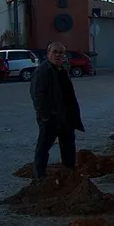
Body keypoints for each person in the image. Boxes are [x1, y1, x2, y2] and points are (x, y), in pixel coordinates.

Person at [30, 42, 85, 180]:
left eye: (61, 53)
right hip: (50, 117)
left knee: (68, 145)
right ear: (48, 53)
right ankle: (39, 177)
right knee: (44, 146)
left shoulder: (61, 69)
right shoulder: (42, 71)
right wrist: (45, 116)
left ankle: (70, 172)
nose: (58, 55)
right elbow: (37, 96)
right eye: (55, 52)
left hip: (65, 116)